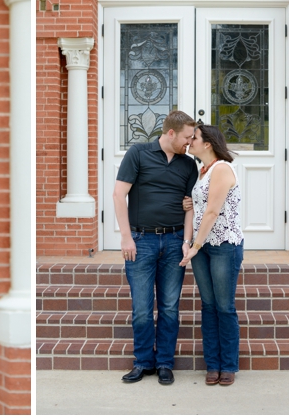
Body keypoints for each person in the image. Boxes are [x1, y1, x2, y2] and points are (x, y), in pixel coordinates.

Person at [112, 110, 198, 385]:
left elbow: (190, 207)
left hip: (174, 242)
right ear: (171, 133)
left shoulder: (188, 165)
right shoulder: (138, 153)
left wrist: (187, 241)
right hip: (141, 242)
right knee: (141, 308)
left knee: (170, 307)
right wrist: (126, 237)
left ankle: (164, 363)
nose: (190, 142)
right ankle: (142, 362)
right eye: (187, 137)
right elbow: (118, 194)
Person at [178, 124, 244, 386]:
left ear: (207, 144)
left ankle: (228, 365)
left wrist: (194, 246)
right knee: (208, 306)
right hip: (201, 247)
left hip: (223, 246)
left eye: (193, 138)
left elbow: (212, 212)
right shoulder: (202, 172)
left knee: (224, 307)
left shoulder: (222, 169)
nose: (189, 142)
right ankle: (212, 365)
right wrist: (189, 241)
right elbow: (196, 207)